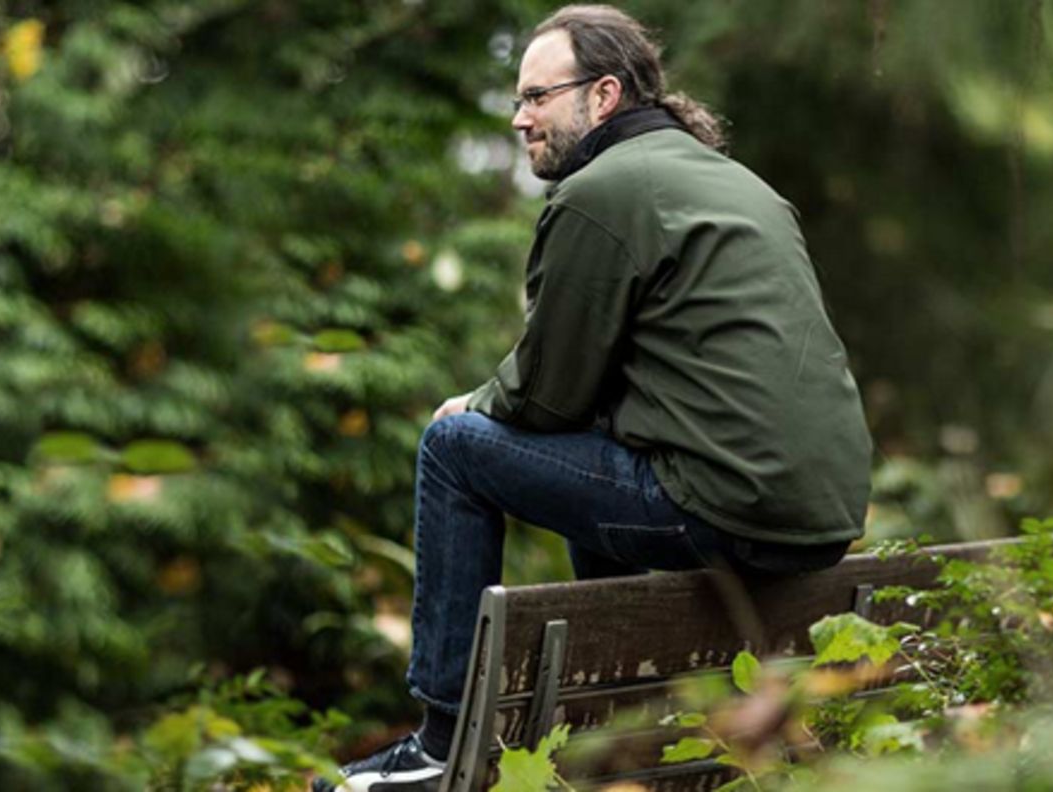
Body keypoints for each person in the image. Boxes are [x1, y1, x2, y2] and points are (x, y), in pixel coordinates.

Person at [313, 5, 872, 790]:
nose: (520, 118)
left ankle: (442, 743)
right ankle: (616, 718)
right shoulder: (740, 185)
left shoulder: (602, 191)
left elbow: (546, 398)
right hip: (819, 518)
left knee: (452, 449)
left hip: (724, 505)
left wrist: (471, 405)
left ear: (603, 95)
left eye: (537, 96)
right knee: (603, 451)